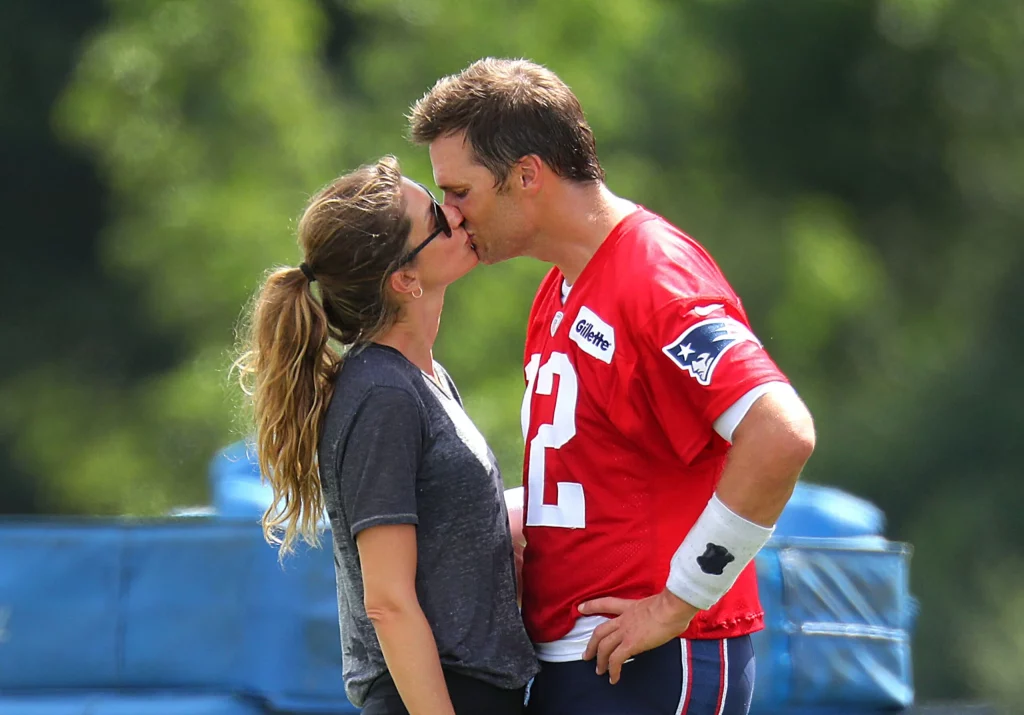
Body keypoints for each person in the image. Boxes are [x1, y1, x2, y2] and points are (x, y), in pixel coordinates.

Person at [408, 59, 816, 715]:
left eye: (459, 192)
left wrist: (680, 598)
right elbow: (595, 470)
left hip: (651, 660)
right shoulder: (557, 287)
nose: (450, 217)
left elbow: (781, 431)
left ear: (527, 175)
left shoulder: (654, 275)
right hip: (574, 660)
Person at [234, 156, 538, 715]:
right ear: (405, 279)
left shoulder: (424, 380)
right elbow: (389, 604)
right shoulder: (383, 394)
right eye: (437, 222)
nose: (457, 213)